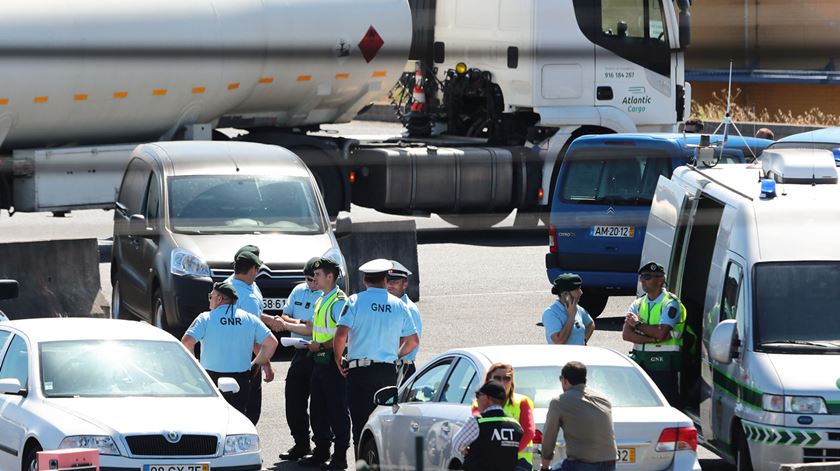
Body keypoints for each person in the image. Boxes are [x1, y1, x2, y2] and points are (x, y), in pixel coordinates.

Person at [332, 258, 419, 456]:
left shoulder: (354, 300)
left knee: (361, 426)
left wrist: (339, 359)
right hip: (387, 373)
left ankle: (363, 463)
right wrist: (392, 356)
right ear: (386, 280)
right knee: (385, 424)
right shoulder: (399, 305)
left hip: (360, 372)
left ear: (365, 280)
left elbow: (340, 335)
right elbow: (412, 341)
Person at [280, 257, 350, 470]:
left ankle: (339, 456)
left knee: (336, 410)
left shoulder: (338, 301)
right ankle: (321, 451)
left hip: (332, 362)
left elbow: (344, 335)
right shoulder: (322, 299)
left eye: (318, 275)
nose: (314, 278)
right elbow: (315, 327)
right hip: (318, 362)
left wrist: (320, 346)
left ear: (330, 276)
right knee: (318, 409)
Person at [181, 281, 278, 415]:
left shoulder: (205, 318)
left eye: (211, 296)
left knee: (213, 418)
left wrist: (195, 366)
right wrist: (257, 364)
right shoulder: (250, 318)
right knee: (237, 418)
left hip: (211, 379)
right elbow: (272, 342)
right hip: (242, 379)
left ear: (219, 298)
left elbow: (186, 342)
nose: (209, 300)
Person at [275, 256, 322, 461]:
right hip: (299, 351)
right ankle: (301, 443)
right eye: (307, 279)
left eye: (314, 279)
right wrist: (299, 323)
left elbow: (313, 327)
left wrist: (295, 324)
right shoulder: (298, 291)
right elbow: (284, 316)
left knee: (320, 403)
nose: (311, 283)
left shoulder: (326, 295)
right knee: (293, 398)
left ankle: (321, 446)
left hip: (320, 353)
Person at [622, 261, 687, 408]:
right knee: (641, 404)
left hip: (663, 364)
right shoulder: (638, 303)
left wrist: (638, 325)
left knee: (667, 405)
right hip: (641, 362)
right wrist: (652, 338)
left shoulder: (671, 303)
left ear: (660, 280)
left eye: (647, 277)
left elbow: (661, 332)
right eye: (642, 277)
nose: (643, 281)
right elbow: (626, 335)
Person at [226, 248, 274, 425]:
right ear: (253, 269)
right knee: (249, 413)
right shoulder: (248, 295)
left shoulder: (228, 286)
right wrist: (266, 364)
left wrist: (269, 319)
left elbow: (251, 315)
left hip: (224, 359)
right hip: (246, 362)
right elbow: (253, 337)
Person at [540, 361, 617, 471]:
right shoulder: (603, 399)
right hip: (610, 464)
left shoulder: (559, 402)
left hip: (583, 464)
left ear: (565, 380)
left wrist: (545, 466)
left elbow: (549, 437)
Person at [471, 363, 535, 471]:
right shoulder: (478, 404)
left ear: (512, 381)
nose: (502, 382)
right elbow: (475, 430)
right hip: (488, 462)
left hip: (519, 462)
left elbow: (528, 432)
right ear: (489, 379)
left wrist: (507, 454)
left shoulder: (522, 402)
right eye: (497, 378)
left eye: (507, 378)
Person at [453, 380, 524, 471]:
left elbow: (456, 445)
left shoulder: (477, 422)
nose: (476, 399)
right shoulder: (516, 425)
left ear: (486, 398)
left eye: (478, 395)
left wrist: (465, 451)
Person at [386, 260, 422, 383]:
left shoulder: (408, 308)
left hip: (402, 367)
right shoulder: (392, 305)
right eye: (388, 281)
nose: (390, 285)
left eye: (395, 282)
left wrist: (388, 357)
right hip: (394, 365)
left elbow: (409, 342)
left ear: (405, 283)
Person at [542, 273, 594, 345]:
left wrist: (583, 342)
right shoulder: (550, 313)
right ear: (565, 294)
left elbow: (590, 324)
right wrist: (571, 317)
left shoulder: (577, 308)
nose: (581, 292)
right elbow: (558, 341)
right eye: (576, 289)